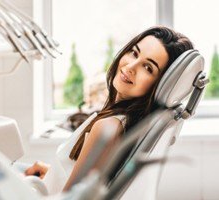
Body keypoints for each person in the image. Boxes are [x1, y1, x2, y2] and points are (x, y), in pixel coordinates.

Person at [24, 25, 194, 194]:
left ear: (159, 86)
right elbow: (89, 184)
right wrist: (52, 174)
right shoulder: (126, 123)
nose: (130, 67)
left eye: (148, 68)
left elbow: (70, 199)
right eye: (134, 53)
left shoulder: (109, 127)